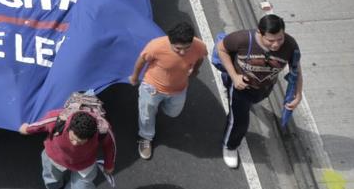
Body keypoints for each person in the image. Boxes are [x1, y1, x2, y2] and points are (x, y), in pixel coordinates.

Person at [217, 14, 302, 170]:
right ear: (259, 33)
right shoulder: (242, 39)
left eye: (280, 39)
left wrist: (298, 94)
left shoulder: (290, 45)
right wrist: (234, 76)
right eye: (271, 40)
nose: (276, 44)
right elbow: (221, 48)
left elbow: (296, 70)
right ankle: (230, 146)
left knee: (251, 104)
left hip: (264, 88)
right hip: (240, 89)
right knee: (239, 121)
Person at [128, 21, 207, 160]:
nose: (182, 52)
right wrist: (135, 77)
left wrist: (195, 70)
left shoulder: (199, 46)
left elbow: (200, 58)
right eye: (177, 48)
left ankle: (156, 108)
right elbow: (142, 60)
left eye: (187, 48)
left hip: (179, 88)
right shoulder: (156, 46)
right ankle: (145, 137)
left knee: (173, 112)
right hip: (152, 87)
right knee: (146, 115)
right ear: (170, 41)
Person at [20, 109, 116, 189]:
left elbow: (110, 146)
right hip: (55, 156)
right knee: (51, 179)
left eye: (80, 142)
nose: (74, 143)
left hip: (84, 163)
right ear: (69, 127)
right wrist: (27, 129)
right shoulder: (57, 118)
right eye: (72, 138)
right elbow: (41, 125)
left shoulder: (102, 130)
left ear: (91, 136)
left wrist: (109, 164)